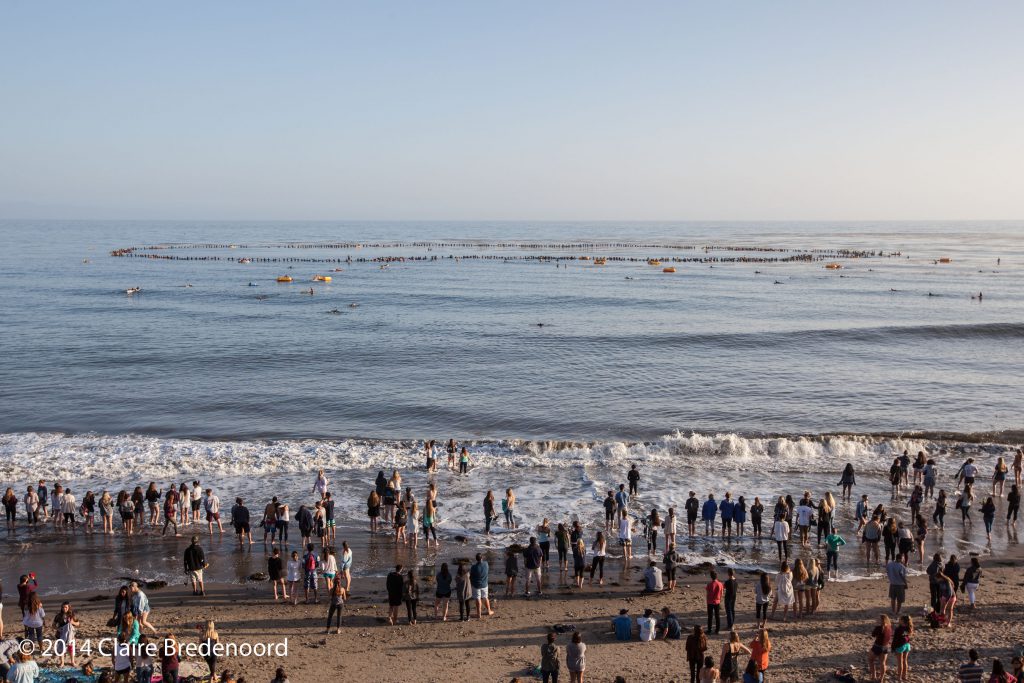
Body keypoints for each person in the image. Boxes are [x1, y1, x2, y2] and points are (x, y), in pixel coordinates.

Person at [51, 601, 78, 667]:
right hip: (60, 635)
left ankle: (72, 662)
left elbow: (78, 624)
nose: (64, 608)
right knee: (61, 648)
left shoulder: (72, 615)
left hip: (70, 636)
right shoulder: (58, 616)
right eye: (63, 607)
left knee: (71, 649)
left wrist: (72, 622)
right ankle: (62, 662)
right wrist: (58, 629)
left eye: (66, 607)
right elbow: (53, 625)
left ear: (68, 608)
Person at [868, 614, 892, 683]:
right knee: (883, 663)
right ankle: (881, 678)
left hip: (877, 646)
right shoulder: (889, 627)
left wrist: (876, 627)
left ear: (882, 620)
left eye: (878, 619)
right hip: (885, 647)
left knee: (870, 660)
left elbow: (873, 635)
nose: (877, 620)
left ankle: (873, 676)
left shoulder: (879, 627)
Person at [891, 614, 913, 681]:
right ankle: (904, 676)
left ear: (903, 621)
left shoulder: (899, 629)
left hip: (900, 646)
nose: (899, 620)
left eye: (900, 619)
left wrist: (893, 647)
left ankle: (899, 677)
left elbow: (895, 639)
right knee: (905, 661)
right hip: (907, 645)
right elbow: (908, 638)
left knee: (900, 662)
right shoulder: (908, 627)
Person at [471, 554, 493, 618]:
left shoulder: (474, 567)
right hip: (484, 584)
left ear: (476, 559)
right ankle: (489, 610)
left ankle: (479, 614)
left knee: (478, 599)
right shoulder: (486, 564)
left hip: (476, 585)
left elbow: (471, 576)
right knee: (485, 597)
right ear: (482, 558)